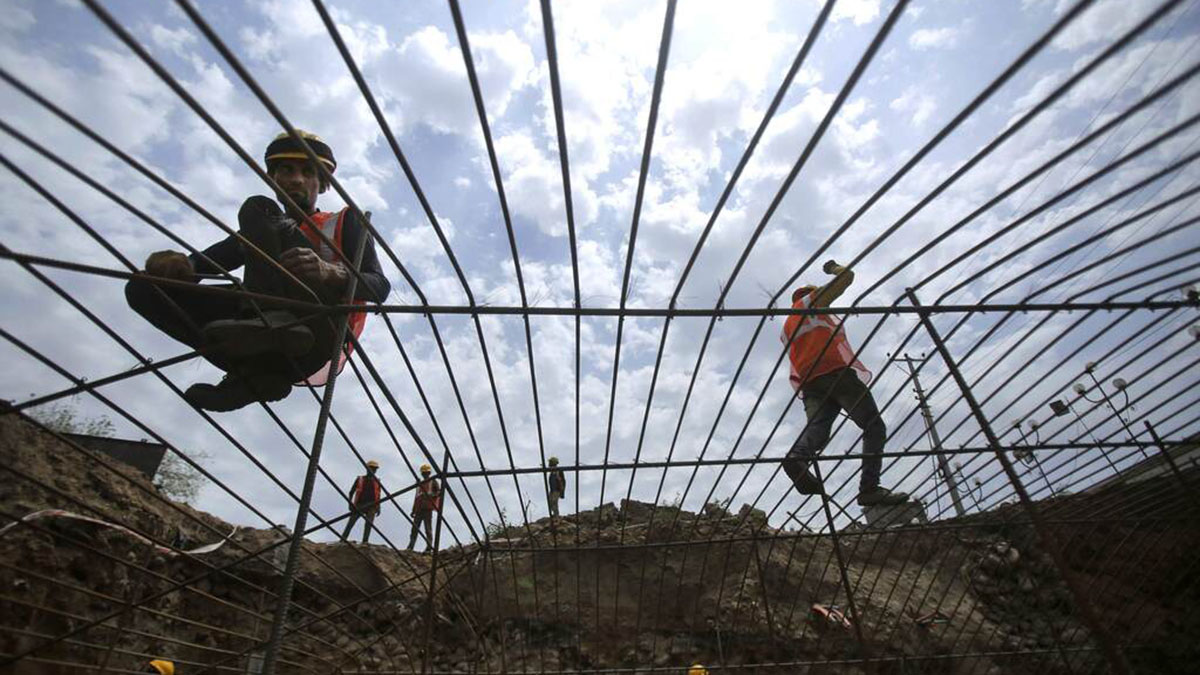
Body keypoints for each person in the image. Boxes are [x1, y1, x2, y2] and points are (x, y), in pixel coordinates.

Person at [125, 130, 391, 411]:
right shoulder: (257, 230)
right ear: (273, 179)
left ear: (322, 183)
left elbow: (379, 286)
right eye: (286, 170)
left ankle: (264, 330)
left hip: (316, 333)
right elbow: (204, 263)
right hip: (261, 336)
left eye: (307, 172)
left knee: (259, 206)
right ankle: (256, 377)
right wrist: (177, 265)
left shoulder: (343, 221)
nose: (297, 179)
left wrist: (329, 271)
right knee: (144, 289)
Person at [780, 260, 908, 507]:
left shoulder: (787, 325)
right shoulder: (810, 304)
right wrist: (834, 269)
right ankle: (869, 489)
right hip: (832, 370)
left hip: (810, 381)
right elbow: (846, 277)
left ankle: (797, 457)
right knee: (874, 426)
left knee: (818, 428)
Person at [342, 460, 383, 544]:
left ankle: (365, 541)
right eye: (372, 468)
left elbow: (378, 495)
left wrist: (378, 507)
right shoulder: (360, 479)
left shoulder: (377, 481)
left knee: (368, 524)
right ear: (367, 468)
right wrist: (350, 504)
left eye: (375, 469)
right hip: (359, 504)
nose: (374, 470)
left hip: (372, 505)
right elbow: (351, 492)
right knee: (351, 523)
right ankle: (343, 539)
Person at [406, 463, 440, 552]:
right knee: (414, 529)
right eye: (424, 473)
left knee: (427, 528)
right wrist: (413, 510)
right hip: (419, 508)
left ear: (429, 473)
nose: (425, 474)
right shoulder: (419, 484)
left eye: (426, 473)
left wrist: (431, 495)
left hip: (427, 508)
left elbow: (439, 492)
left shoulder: (433, 481)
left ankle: (429, 547)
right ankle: (411, 546)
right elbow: (416, 498)